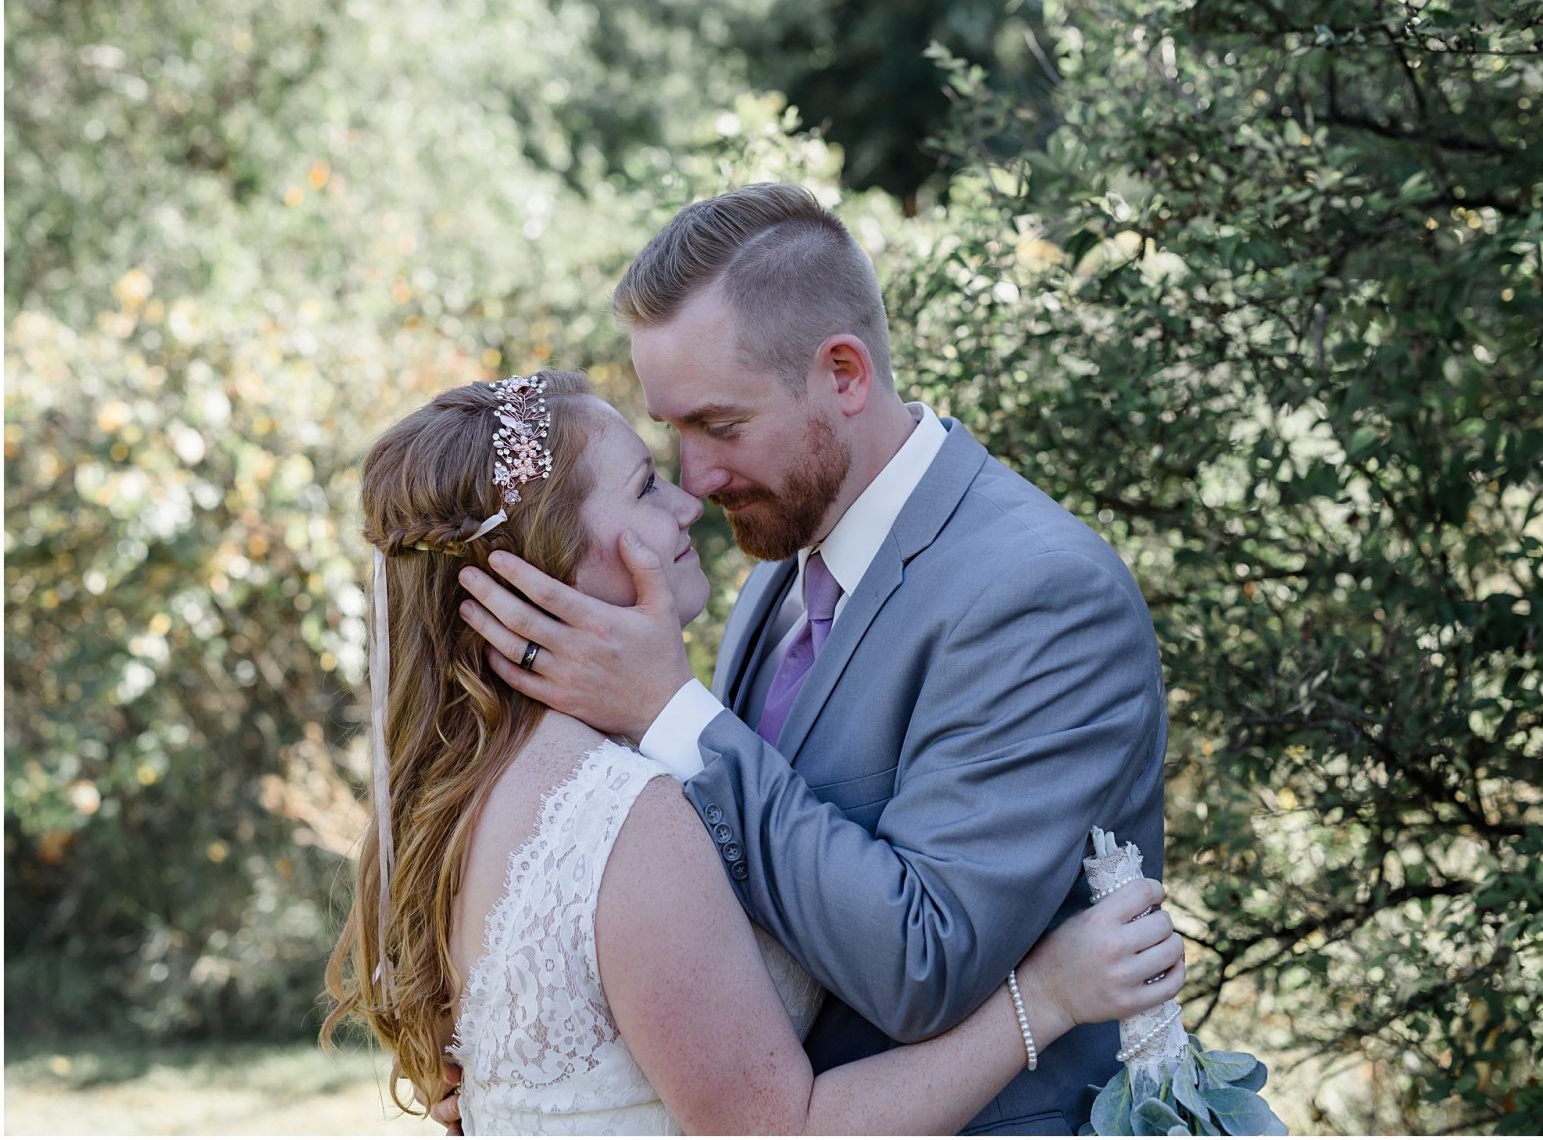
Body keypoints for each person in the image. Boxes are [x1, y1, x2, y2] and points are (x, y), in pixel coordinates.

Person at [454, 184, 1170, 1133]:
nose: (696, 479)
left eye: (720, 426)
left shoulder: (1039, 594)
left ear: (843, 374)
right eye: (674, 431)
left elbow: (927, 965)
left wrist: (673, 715)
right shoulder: (782, 571)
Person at [322, 372, 1185, 1134]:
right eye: (648, 486)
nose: (688, 500)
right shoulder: (618, 815)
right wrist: (1048, 997)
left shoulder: (468, 792)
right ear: (552, 566)